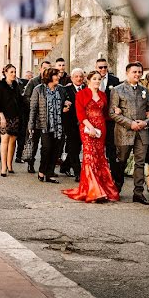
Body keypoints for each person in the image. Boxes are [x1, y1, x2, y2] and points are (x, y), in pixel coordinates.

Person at [62, 70, 120, 202]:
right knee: (89, 156)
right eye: (94, 79)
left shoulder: (103, 95)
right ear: (88, 80)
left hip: (101, 128)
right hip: (87, 128)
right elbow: (81, 114)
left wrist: (116, 110)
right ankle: (92, 190)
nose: (97, 81)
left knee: (100, 156)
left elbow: (106, 113)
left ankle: (102, 188)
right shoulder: (82, 94)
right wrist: (91, 127)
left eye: (99, 79)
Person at [109, 62, 149, 204]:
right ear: (127, 73)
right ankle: (117, 188)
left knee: (139, 163)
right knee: (121, 162)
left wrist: (146, 122)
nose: (137, 74)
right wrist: (130, 123)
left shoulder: (144, 90)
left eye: (139, 72)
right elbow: (112, 113)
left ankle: (138, 193)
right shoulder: (117, 90)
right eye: (134, 72)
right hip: (124, 132)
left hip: (142, 132)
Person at [28, 67, 68, 183]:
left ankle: (49, 173)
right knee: (46, 148)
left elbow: (66, 100)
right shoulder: (39, 89)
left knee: (56, 150)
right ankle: (42, 170)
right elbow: (33, 109)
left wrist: (66, 105)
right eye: (56, 75)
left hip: (59, 125)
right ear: (49, 77)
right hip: (44, 125)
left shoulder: (61, 89)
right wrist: (31, 126)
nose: (59, 77)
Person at [23, 60, 51, 173]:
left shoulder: (51, 82)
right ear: (40, 69)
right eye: (44, 68)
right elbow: (26, 97)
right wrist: (37, 105)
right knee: (33, 143)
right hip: (35, 118)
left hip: (47, 120)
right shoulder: (33, 82)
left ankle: (44, 167)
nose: (46, 70)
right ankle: (30, 163)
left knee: (46, 145)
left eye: (48, 68)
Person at [0, 64, 23, 177]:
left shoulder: (16, 84)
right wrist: (1, 116)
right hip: (3, 116)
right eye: (11, 72)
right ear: (5, 73)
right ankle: (3, 167)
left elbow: (19, 101)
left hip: (15, 116)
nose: (14, 74)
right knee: (5, 139)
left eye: (15, 72)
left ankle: (10, 165)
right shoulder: (0, 84)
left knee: (13, 141)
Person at [95, 58, 121, 170]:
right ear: (96, 68)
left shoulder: (115, 80)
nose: (103, 69)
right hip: (96, 117)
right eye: (100, 67)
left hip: (110, 118)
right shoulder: (92, 79)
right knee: (97, 146)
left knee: (111, 145)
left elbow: (118, 97)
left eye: (105, 67)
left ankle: (112, 170)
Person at [61, 68, 86, 180]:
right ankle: (78, 172)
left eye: (81, 76)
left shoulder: (87, 89)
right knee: (73, 146)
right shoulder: (65, 89)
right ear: (72, 78)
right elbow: (61, 104)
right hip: (70, 122)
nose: (79, 78)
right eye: (76, 76)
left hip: (83, 122)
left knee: (76, 147)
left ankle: (64, 166)